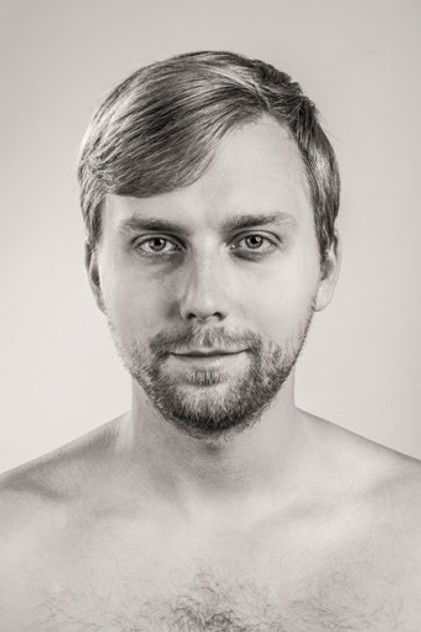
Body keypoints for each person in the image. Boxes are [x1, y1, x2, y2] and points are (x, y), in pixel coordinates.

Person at [0, 50, 420, 631]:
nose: (202, 299)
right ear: (96, 274)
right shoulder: (10, 552)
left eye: (253, 241)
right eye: (157, 244)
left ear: (325, 267)